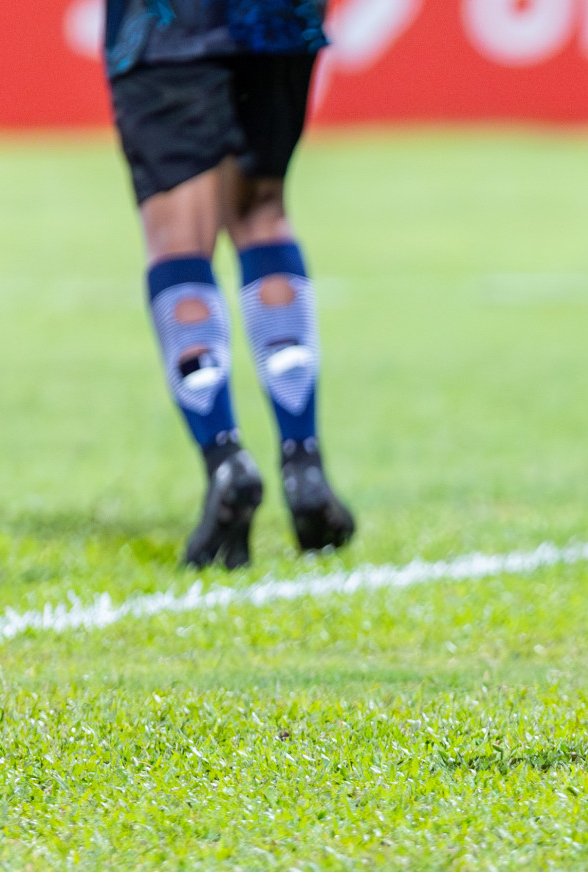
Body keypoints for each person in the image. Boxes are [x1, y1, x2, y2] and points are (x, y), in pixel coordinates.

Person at [106, 0, 355, 569]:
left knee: (178, 239)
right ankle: (303, 462)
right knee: (262, 210)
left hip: (167, 21)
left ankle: (226, 460)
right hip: (273, 14)